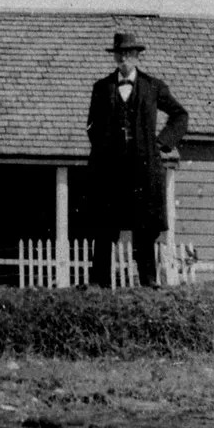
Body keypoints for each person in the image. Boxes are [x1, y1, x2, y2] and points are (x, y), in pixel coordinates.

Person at [83, 30, 188, 288]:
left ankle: (149, 281)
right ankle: (99, 282)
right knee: (104, 226)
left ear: (137, 57)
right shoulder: (102, 87)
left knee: (145, 226)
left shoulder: (153, 87)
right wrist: (105, 150)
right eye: (120, 55)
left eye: (129, 55)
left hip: (143, 168)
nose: (124, 60)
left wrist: (161, 143)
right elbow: (92, 126)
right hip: (110, 170)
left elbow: (180, 115)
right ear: (115, 57)